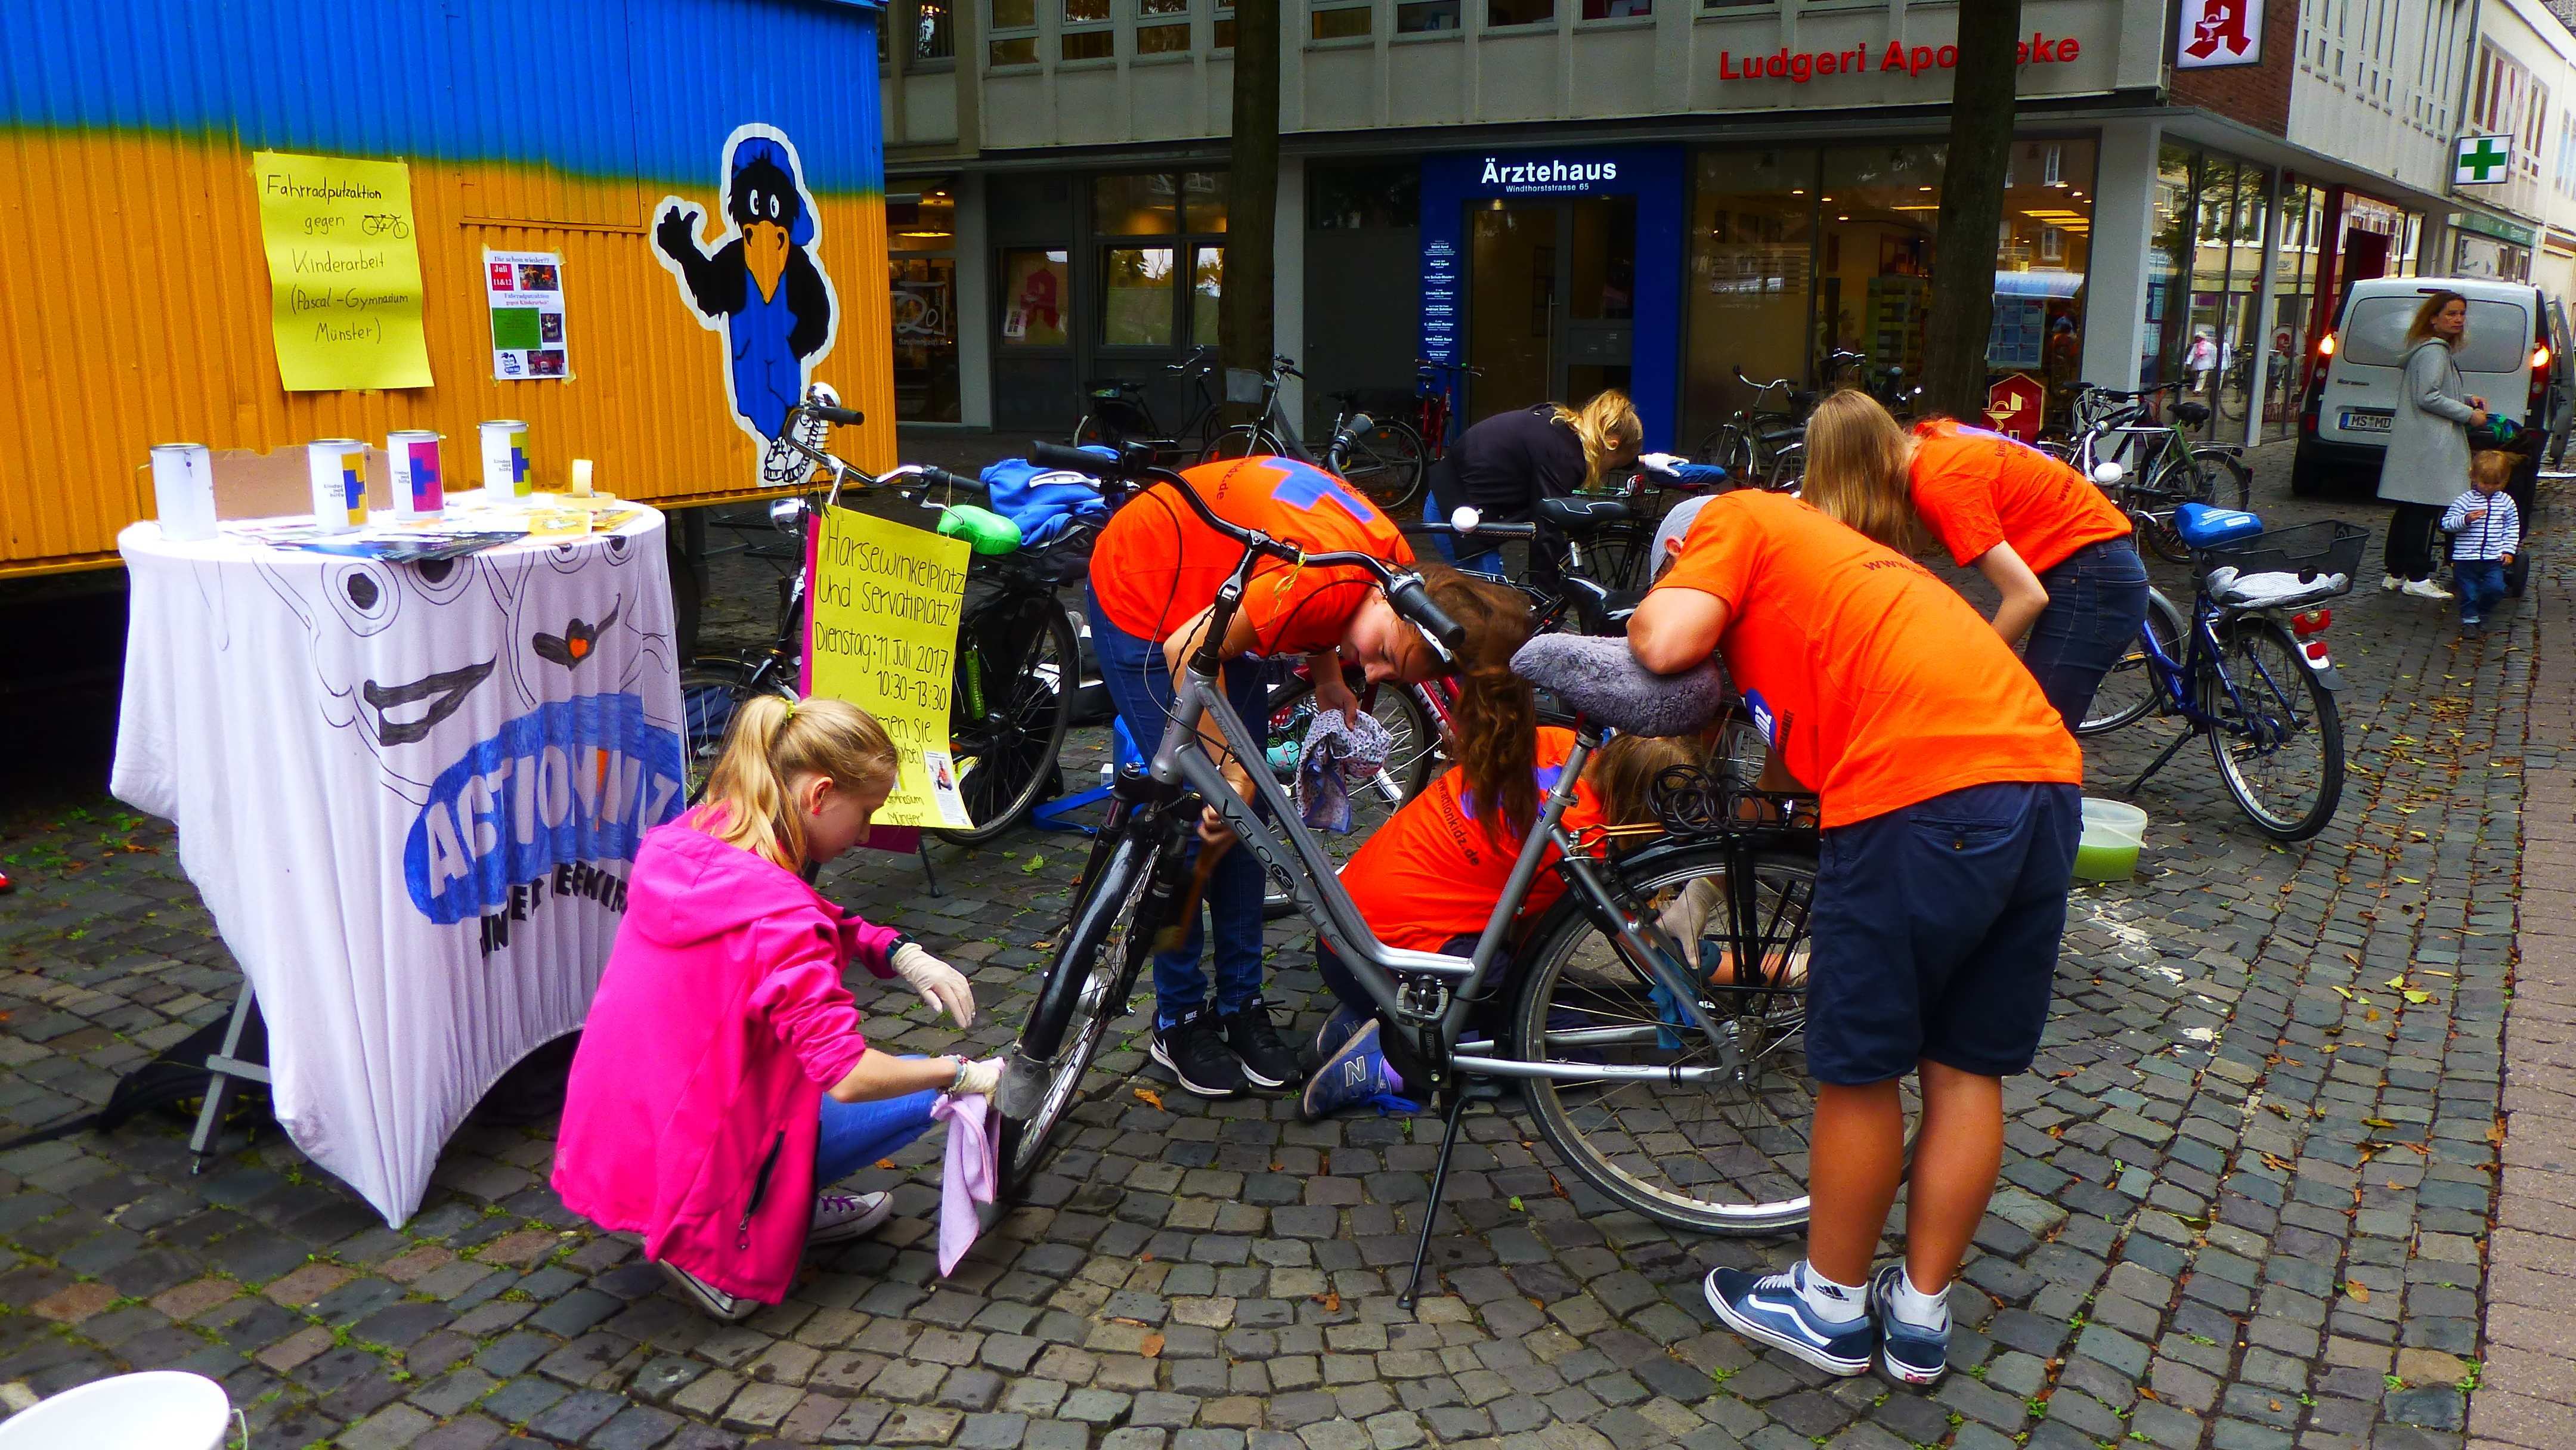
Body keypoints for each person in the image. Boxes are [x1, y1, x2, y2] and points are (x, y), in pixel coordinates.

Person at [1628, 490, 2082, 1387]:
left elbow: (1665, 642)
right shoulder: (1845, 566)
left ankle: (1829, 1304)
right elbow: (1792, 766)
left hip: (1917, 794)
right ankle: (1918, 1318)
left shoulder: (1737, 520)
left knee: (1861, 1064)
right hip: (2041, 782)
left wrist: (1649, 616)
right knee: (1964, 1065)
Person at [1085, 453, 1531, 1099]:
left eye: (1388, 672)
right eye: (1382, 655)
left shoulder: (1397, 576)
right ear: (1397, 605)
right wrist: (1230, 766)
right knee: (1190, 822)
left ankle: (1240, 1003)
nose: (1372, 675)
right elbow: (1192, 647)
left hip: (1221, 590)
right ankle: (1177, 1018)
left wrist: (1328, 677)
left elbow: (1312, 586)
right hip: (1148, 587)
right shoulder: (1330, 588)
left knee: (1246, 819)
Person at [553, 696, 996, 1322]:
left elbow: (781, 906)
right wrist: (958, 1073)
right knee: (916, 1088)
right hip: (691, 1152)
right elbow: (849, 1074)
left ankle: (765, 1203)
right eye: (865, 813)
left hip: (615, 1126)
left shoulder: (695, 834)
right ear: (819, 796)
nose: (866, 833)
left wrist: (892, 946)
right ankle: (723, 1229)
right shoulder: (785, 920)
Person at [1299, 724, 1714, 1117]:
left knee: (1540, 985)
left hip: (1345, 931)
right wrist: (1774, 973)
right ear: (1645, 810)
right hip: (1386, 959)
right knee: (1575, 1053)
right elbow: (1648, 952)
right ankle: (1388, 1065)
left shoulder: (1559, 745)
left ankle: (1373, 1016)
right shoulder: (1588, 840)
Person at [1800, 392, 2147, 730]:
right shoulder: (1934, 437)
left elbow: (2027, 596)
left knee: (2033, 734)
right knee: (2026, 728)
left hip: (2092, 577)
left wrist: (1970, 669)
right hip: (2098, 562)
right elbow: (1916, 541)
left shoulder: (1941, 484)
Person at [1426, 391, 1645, 572]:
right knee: (1494, 610)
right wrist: (1544, 597)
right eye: (1614, 465)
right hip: (1456, 511)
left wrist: (1643, 462)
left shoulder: (1559, 424)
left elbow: (1615, 454)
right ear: (1612, 443)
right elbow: (1547, 529)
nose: (1608, 472)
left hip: (1450, 494)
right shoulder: (1563, 457)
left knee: (1490, 605)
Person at [2382, 290, 2485, 600]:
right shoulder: (2434, 352)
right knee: (2423, 511)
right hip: (2430, 443)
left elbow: (2432, 390)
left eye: (2462, 314)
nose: (2458, 320)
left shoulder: (2428, 350)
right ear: (2434, 318)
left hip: (2420, 441)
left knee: (2409, 509)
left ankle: (2396, 573)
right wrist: (2470, 415)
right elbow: (2427, 396)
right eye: (2451, 314)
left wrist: (2466, 398)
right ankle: (2417, 575)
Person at [2441, 447, 2521, 633]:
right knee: (2469, 591)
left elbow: (2512, 527)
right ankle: (2470, 620)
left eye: (2496, 483)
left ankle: (2483, 611)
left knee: (2496, 588)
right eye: (2485, 482)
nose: (2490, 487)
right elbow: (2447, 523)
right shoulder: (2465, 500)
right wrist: (2466, 519)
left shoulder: (2506, 502)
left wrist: (2508, 550)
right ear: (2474, 477)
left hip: (2493, 557)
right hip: (2465, 558)